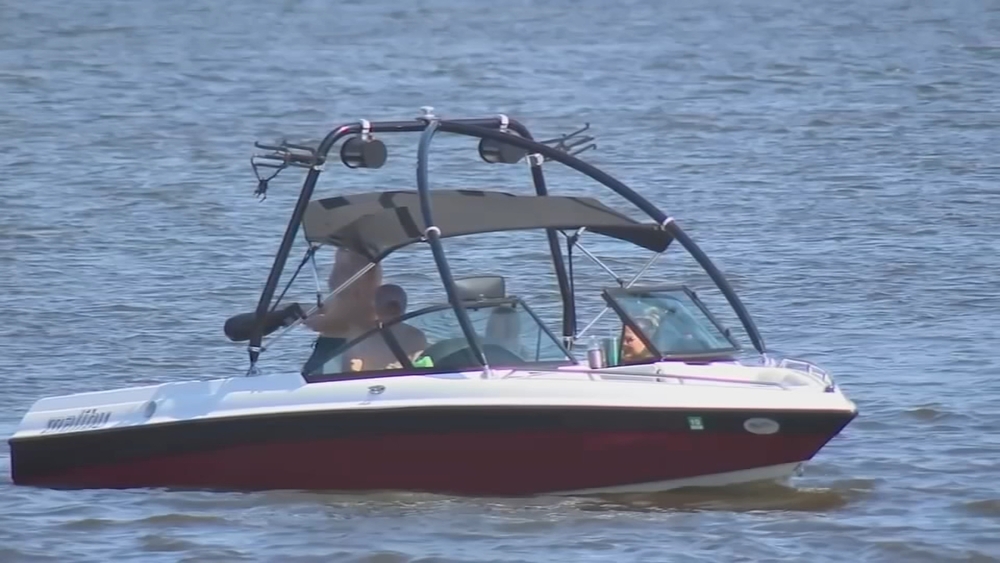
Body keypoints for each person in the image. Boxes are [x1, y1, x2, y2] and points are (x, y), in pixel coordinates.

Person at [300, 247, 382, 374]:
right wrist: (305, 311)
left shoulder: (363, 287)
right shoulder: (344, 251)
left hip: (344, 346)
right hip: (326, 345)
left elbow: (356, 317)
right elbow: (334, 303)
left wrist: (319, 323)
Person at [346, 283, 428, 371]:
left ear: (375, 307)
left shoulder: (359, 336)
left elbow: (351, 369)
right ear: (404, 307)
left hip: (372, 379)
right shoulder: (417, 336)